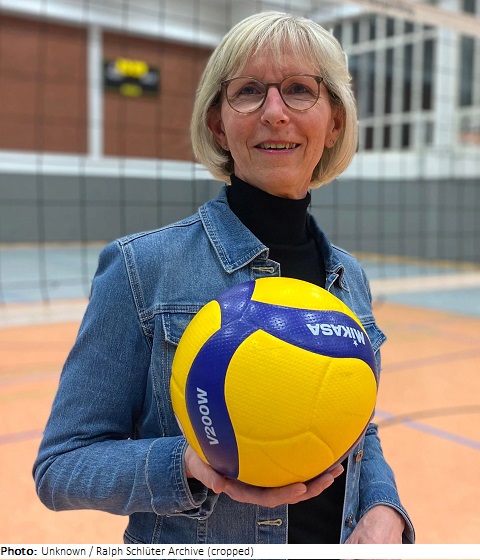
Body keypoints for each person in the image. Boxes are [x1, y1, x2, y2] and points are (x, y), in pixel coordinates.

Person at [34, 11, 415, 545]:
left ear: (334, 122)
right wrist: (189, 464)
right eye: (249, 91)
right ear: (218, 124)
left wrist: (382, 506)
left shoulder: (348, 277)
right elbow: (61, 467)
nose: (275, 112)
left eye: (300, 90)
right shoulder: (142, 268)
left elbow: (354, 427)